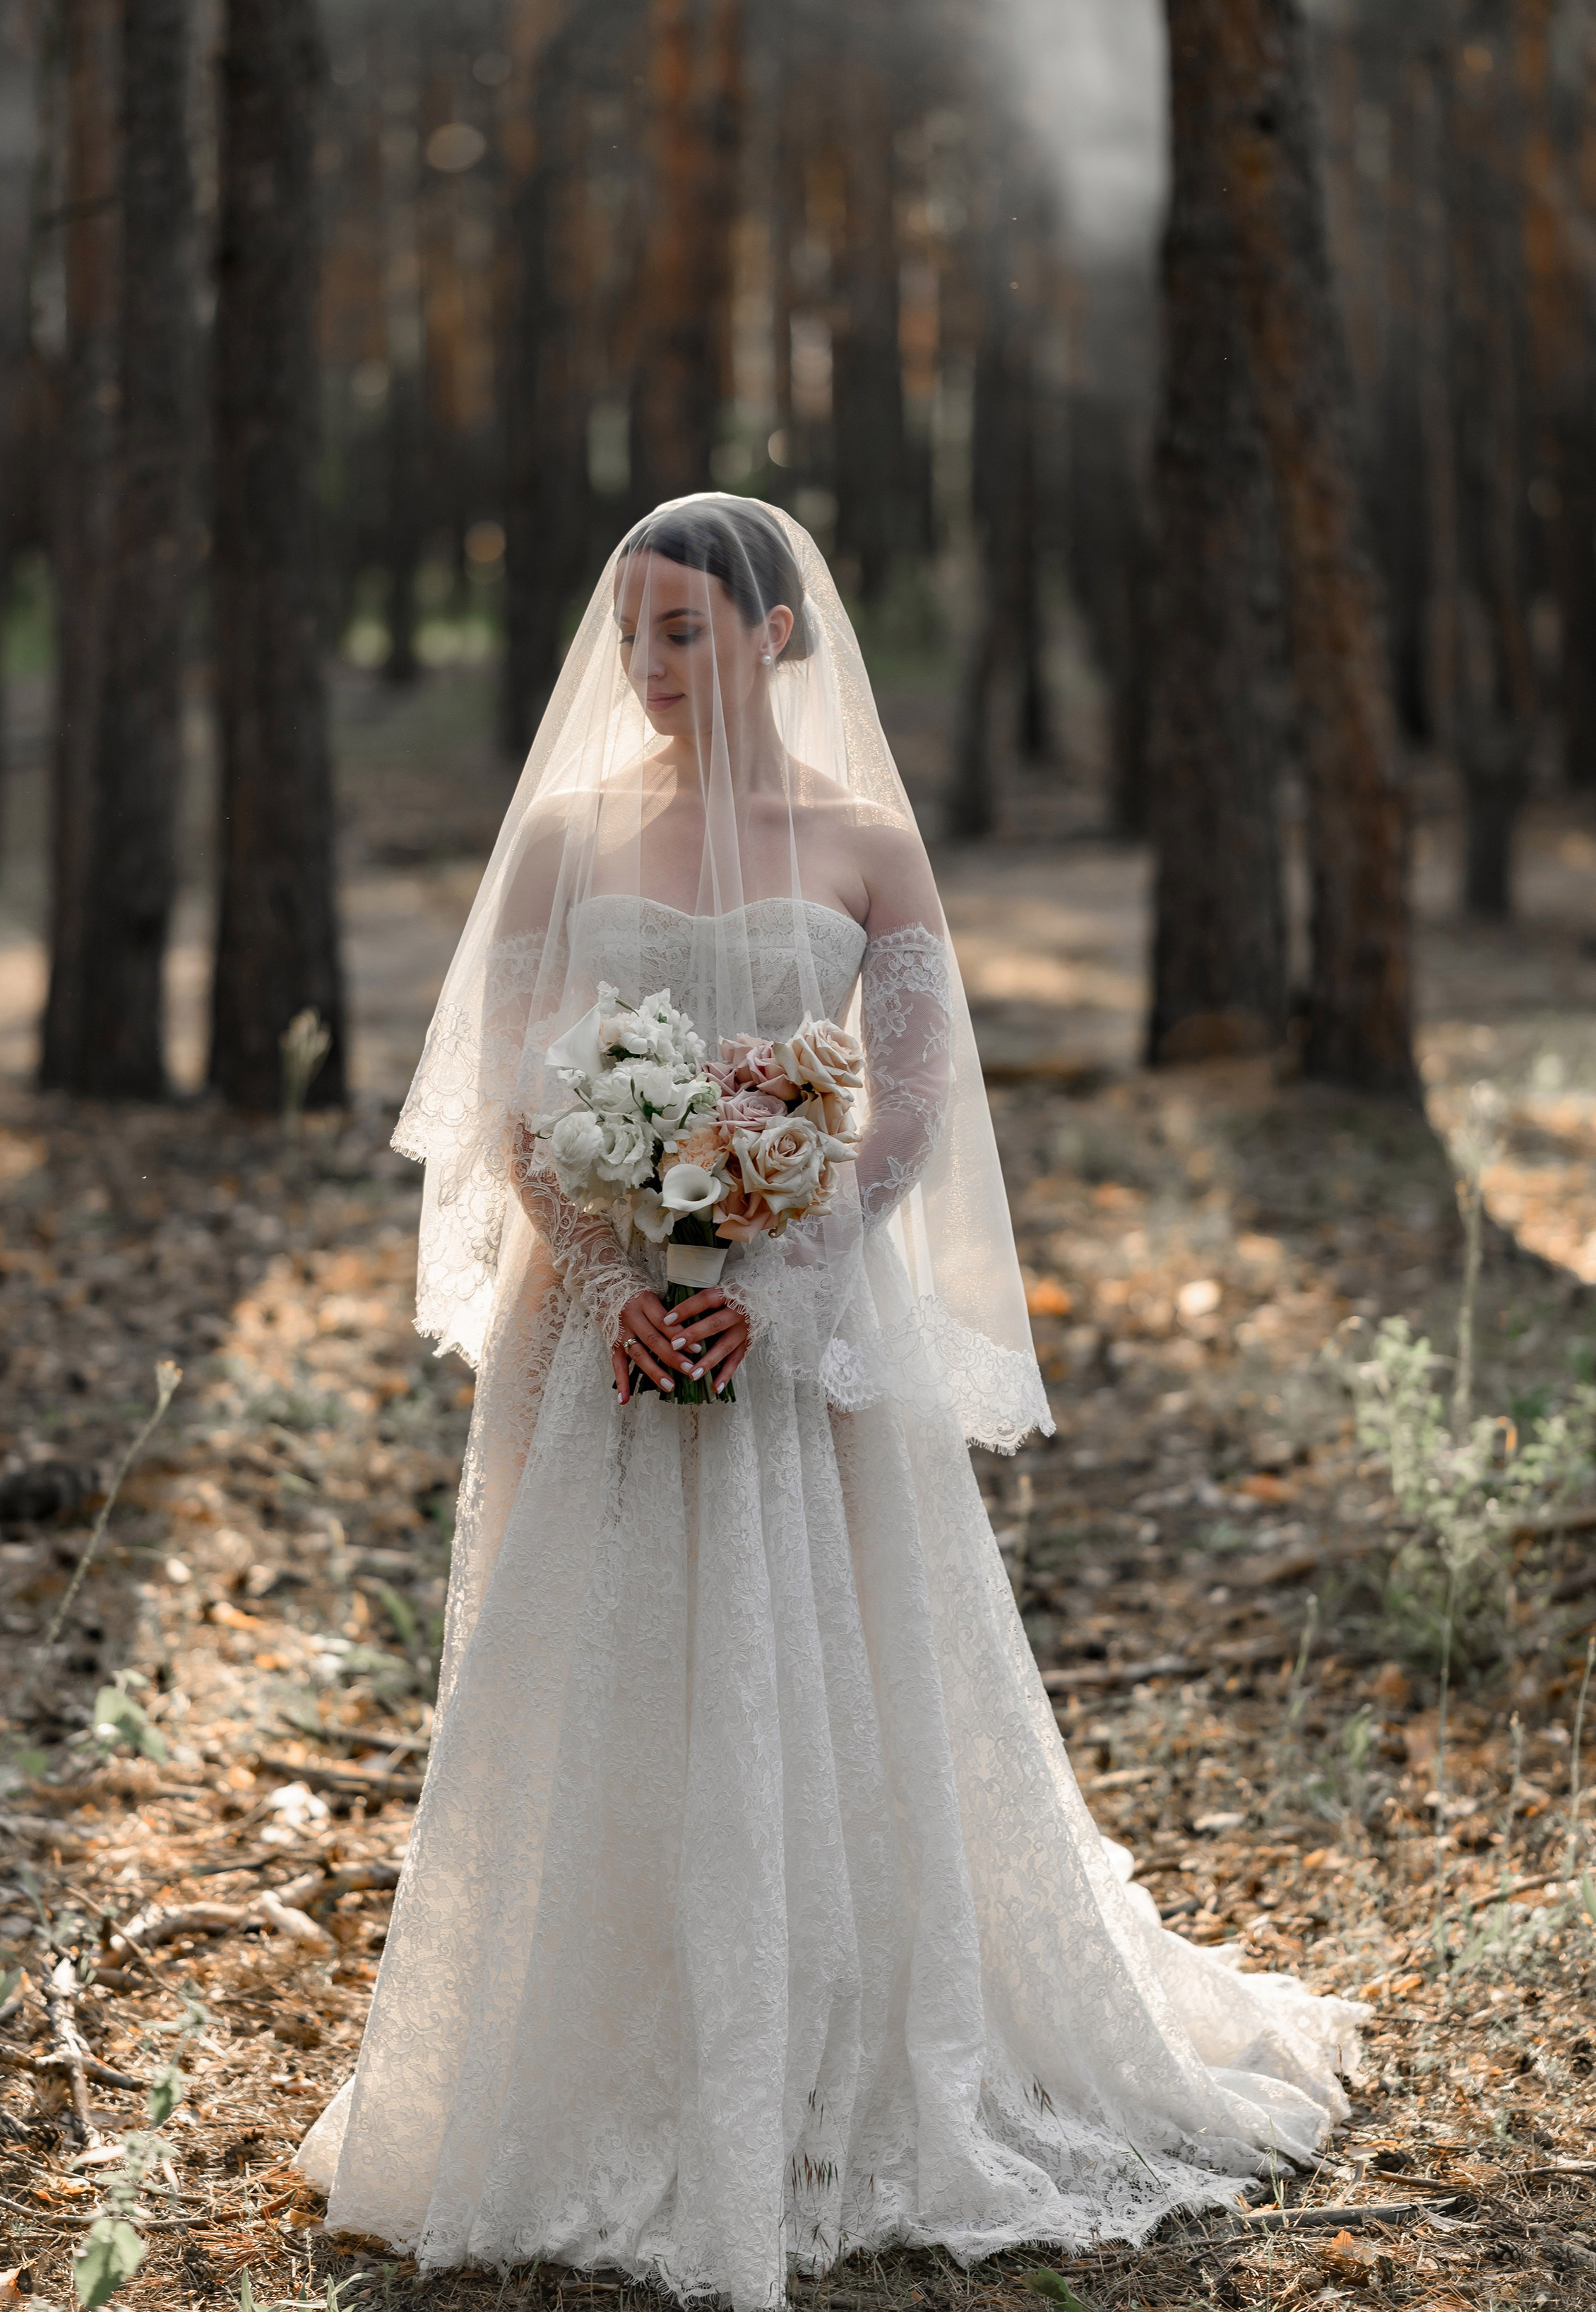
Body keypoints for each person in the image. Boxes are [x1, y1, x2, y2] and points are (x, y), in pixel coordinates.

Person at [297, 496, 1362, 2308]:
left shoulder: (865, 844)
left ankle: (836, 2047)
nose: (646, 666)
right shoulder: (564, 839)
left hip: (800, 1322)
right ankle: (598, 2053)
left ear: (777, 636)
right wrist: (632, 1285)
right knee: (602, 1675)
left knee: (835, 1659)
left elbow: (920, 1108)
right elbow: (503, 1100)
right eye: (628, 631)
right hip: (604, 1324)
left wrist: (770, 1275)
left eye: (684, 632)